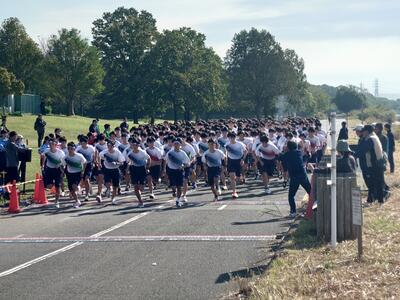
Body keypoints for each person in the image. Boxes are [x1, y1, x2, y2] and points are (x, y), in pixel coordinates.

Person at [281, 141, 311, 218]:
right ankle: (314, 207)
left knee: (291, 196)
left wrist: (283, 150)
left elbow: (280, 157)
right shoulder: (299, 152)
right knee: (310, 192)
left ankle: (293, 212)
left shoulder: (286, 155)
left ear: (288, 147)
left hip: (294, 177)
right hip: (303, 175)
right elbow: (306, 155)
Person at [355, 125, 385, 203]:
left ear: (366, 131)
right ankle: (376, 200)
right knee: (377, 183)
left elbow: (362, 151)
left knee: (373, 183)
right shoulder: (373, 136)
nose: (362, 133)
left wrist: (353, 155)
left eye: (363, 131)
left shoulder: (370, 139)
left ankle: (375, 200)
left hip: (374, 165)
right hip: (378, 163)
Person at [124, 137, 150, 207]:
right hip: (134, 169)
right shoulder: (130, 153)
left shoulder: (143, 152)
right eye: (132, 145)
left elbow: (149, 158)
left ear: (138, 145)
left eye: (135, 145)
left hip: (142, 169)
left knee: (141, 187)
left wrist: (147, 167)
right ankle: (140, 201)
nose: (134, 146)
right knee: (136, 187)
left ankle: (140, 194)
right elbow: (129, 162)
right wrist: (127, 169)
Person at [165, 138, 190, 207]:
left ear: (180, 145)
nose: (176, 145)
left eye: (178, 144)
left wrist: (183, 166)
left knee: (179, 187)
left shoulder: (183, 153)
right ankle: (174, 192)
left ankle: (178, 200)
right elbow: (165, 161)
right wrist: (165, 170)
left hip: (179, 171)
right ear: (173, 144)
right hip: (171, 171)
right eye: (175, 144)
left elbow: (187, 163)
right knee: (173, 185)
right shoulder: (170, 153)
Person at [99, 140, 125, 204]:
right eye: (108, 145)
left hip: (115, 170)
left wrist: (116, 163)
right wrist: (100, 162)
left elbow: (122, 162)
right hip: (107, 169)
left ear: (114, 146)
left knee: (115, 186)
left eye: (110, 146)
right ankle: (108, 189)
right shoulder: (104, 152)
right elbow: (100, 155)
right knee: (107, 182)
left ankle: (113, 199)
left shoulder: (117, 152)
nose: (109, 147)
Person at [42, 139, 65, 207]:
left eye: (52, 144)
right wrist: (43, 165)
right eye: (50, 144)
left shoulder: (60, 152)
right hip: (49, 169)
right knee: (49, 186)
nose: (51, 145)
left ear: (56, 145)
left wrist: (60, 164)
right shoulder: (47, 150)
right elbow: (44, 156)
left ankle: (56, 201)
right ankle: (56, 184)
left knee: (57, 187)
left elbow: (64, 161)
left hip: (57, 170)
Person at [62, 142, 86, 208]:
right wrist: (63, 172)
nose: (70, 150)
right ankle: (77, 201)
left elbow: (85, 162)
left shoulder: (79, 156)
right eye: (69, 148)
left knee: (74, 186)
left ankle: (79, 189)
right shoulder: (65, 157)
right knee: (72, 190)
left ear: (74, 149)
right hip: (70, 174)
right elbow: (64, 165)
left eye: (72, 148)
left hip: (78, 173)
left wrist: (83, 170)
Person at [225, 132, 247, 198]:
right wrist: (225, 158)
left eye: (233, 137)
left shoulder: (240, 144)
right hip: (231, 161)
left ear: (235, 137)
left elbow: (245, 151)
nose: (231, 139)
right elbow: (226, 152)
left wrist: (242, 159)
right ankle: (234, 192)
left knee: (237, 178)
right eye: (230, 138)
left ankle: (235, 182)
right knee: (232, 176)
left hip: (239, 161)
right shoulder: (227, 144)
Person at [76, 136, 95, 201]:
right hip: (81, 165)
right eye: (81, 143)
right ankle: (90, 188)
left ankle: (86, 195)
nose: (83, 144)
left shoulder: (91, 148)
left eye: (84, 143)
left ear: (87, 142)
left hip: (89, 165)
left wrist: (95, 161)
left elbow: (96, 153)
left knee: (86, 179)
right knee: (83, 180)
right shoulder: (78, 148)